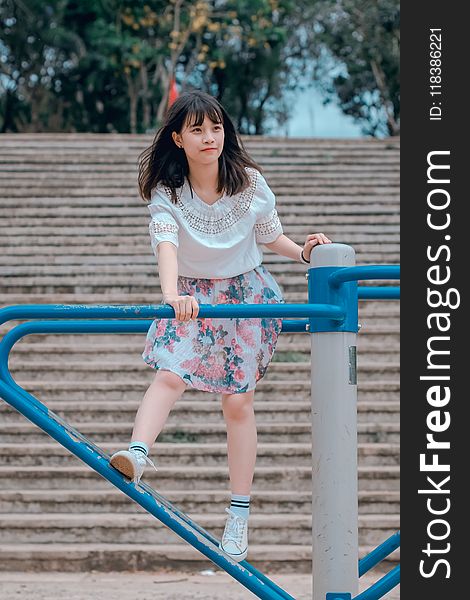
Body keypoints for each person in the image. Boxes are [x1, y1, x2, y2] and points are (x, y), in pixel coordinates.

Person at [109, 90, 331, 562]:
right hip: (192, 295)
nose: (209, 137)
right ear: (178, 138)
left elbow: (269, 235)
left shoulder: (248, 182)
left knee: (238, 402)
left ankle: (238, 514)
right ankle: (137, 453)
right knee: (170, 373)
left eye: (215, 127)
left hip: (246, 294)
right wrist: (172, 297)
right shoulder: (169, 192)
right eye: (197, 130)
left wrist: (306, 253)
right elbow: (165, 244)